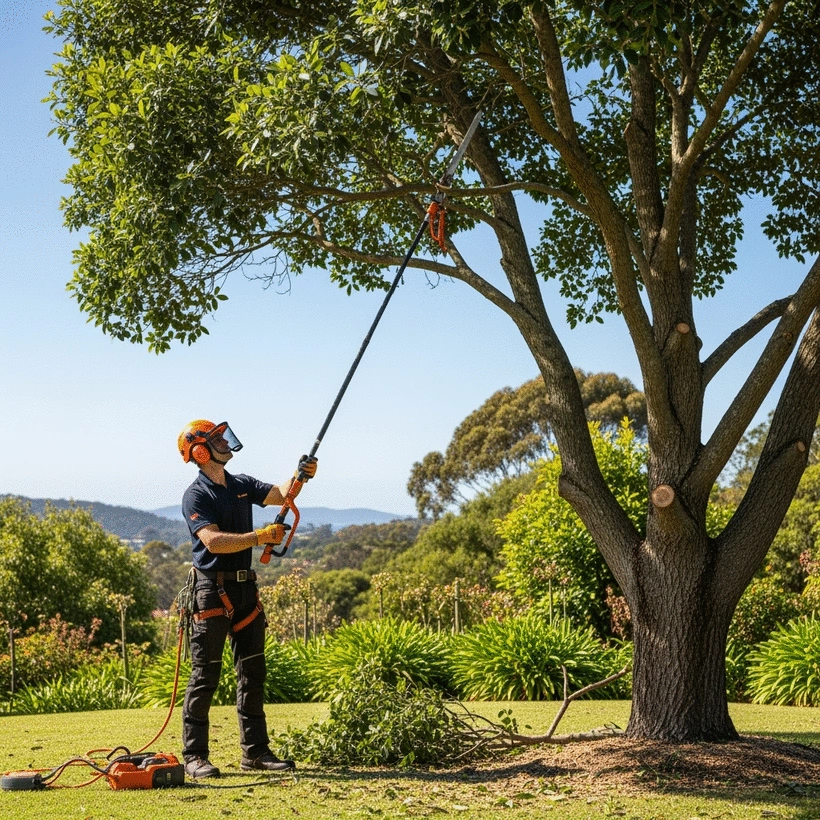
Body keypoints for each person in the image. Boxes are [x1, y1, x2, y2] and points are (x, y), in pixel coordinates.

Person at [177, 418, 317, 779]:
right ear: (200, 452)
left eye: (225, 438)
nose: (226, 443)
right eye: (218, 440)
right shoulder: (196, 495)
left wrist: (300, 474)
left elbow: (281, 494)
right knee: (205, 676)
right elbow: (213, 542)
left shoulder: (241, 484)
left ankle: (255, 753)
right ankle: (194, 756)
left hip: (245, 590)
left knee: (253, 673)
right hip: (211, 591)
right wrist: (259, 537)